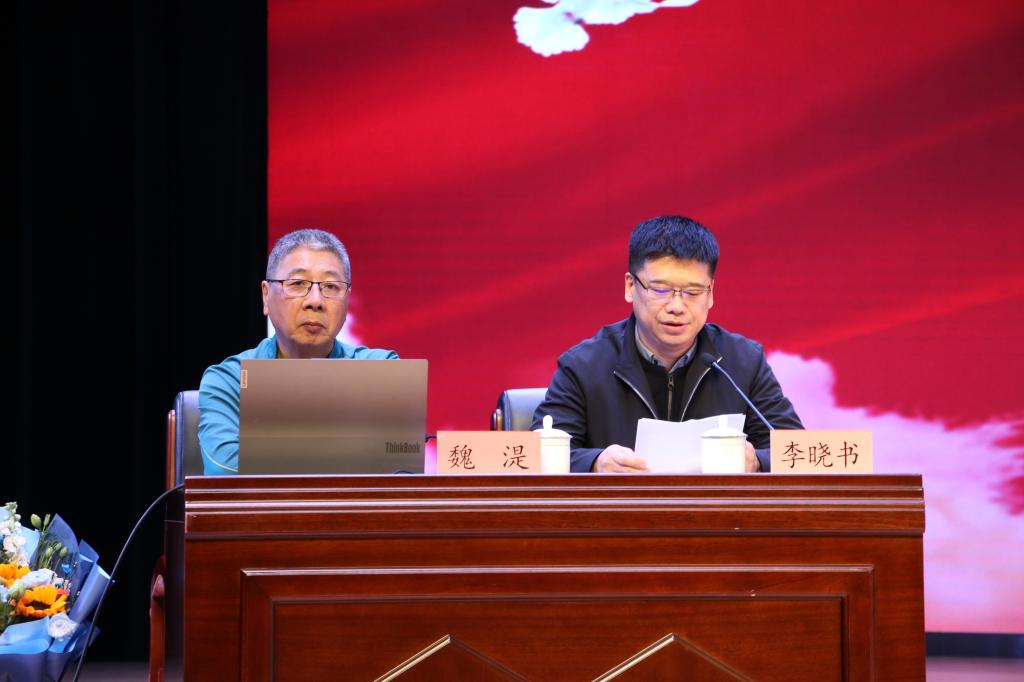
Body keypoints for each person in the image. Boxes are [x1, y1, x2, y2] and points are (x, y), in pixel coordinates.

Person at [531, 215, 801, 473]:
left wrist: (757, 462)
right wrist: (595, 463)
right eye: (660, 290)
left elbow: (798, 452)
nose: (677, 306)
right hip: (622, 506)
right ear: (630, 286)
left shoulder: (743, 362)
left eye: (693, 292)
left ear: (710, 293)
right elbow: (535, 457)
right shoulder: (583, 366)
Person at [199, 228, 398, 475]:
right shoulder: (230, 381)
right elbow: (225, 473)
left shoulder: (381, 371)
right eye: (297, 284)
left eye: (331, 287)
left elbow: (397, 472)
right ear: (266, 296)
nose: (315, 301)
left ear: (347, 301)